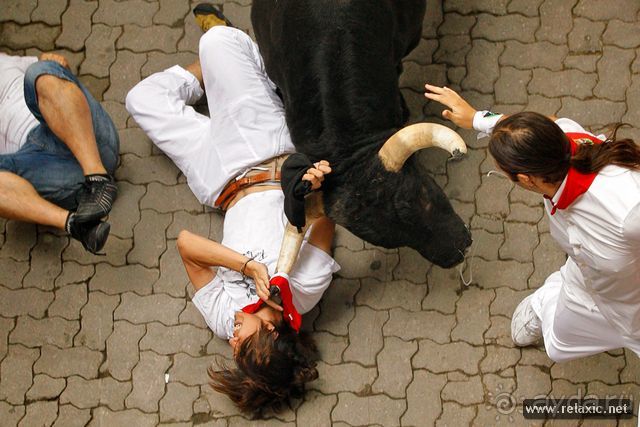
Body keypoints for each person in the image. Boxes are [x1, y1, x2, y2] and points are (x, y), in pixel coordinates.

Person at [125, 8, 340, 417]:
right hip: (266, 151)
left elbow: (187, 245)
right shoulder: (304, 290)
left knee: (141, 100)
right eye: (245, 344)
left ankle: (227, 74)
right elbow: (324, 217)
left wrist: (247, 268)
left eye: (234, 349)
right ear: (274, 329)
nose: (232, 340)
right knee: (216, 43)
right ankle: (256, 68)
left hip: (219, 181)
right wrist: (312, 184)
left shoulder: (225, 319)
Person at [425, 83, 640, 362]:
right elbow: (542, 127)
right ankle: (547, 299)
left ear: (525, 180)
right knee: (558, 347)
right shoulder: (561, 140)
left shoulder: (629, 211)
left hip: (633, 299)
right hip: (587, 281)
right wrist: (478, 118)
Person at [0, 52, 119, 254]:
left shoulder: (5, 61)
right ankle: (77, 225)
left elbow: (57, 72)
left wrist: (54, 62)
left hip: (89, 140)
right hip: (51, 172)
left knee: (39, 72)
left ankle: (98, 179)